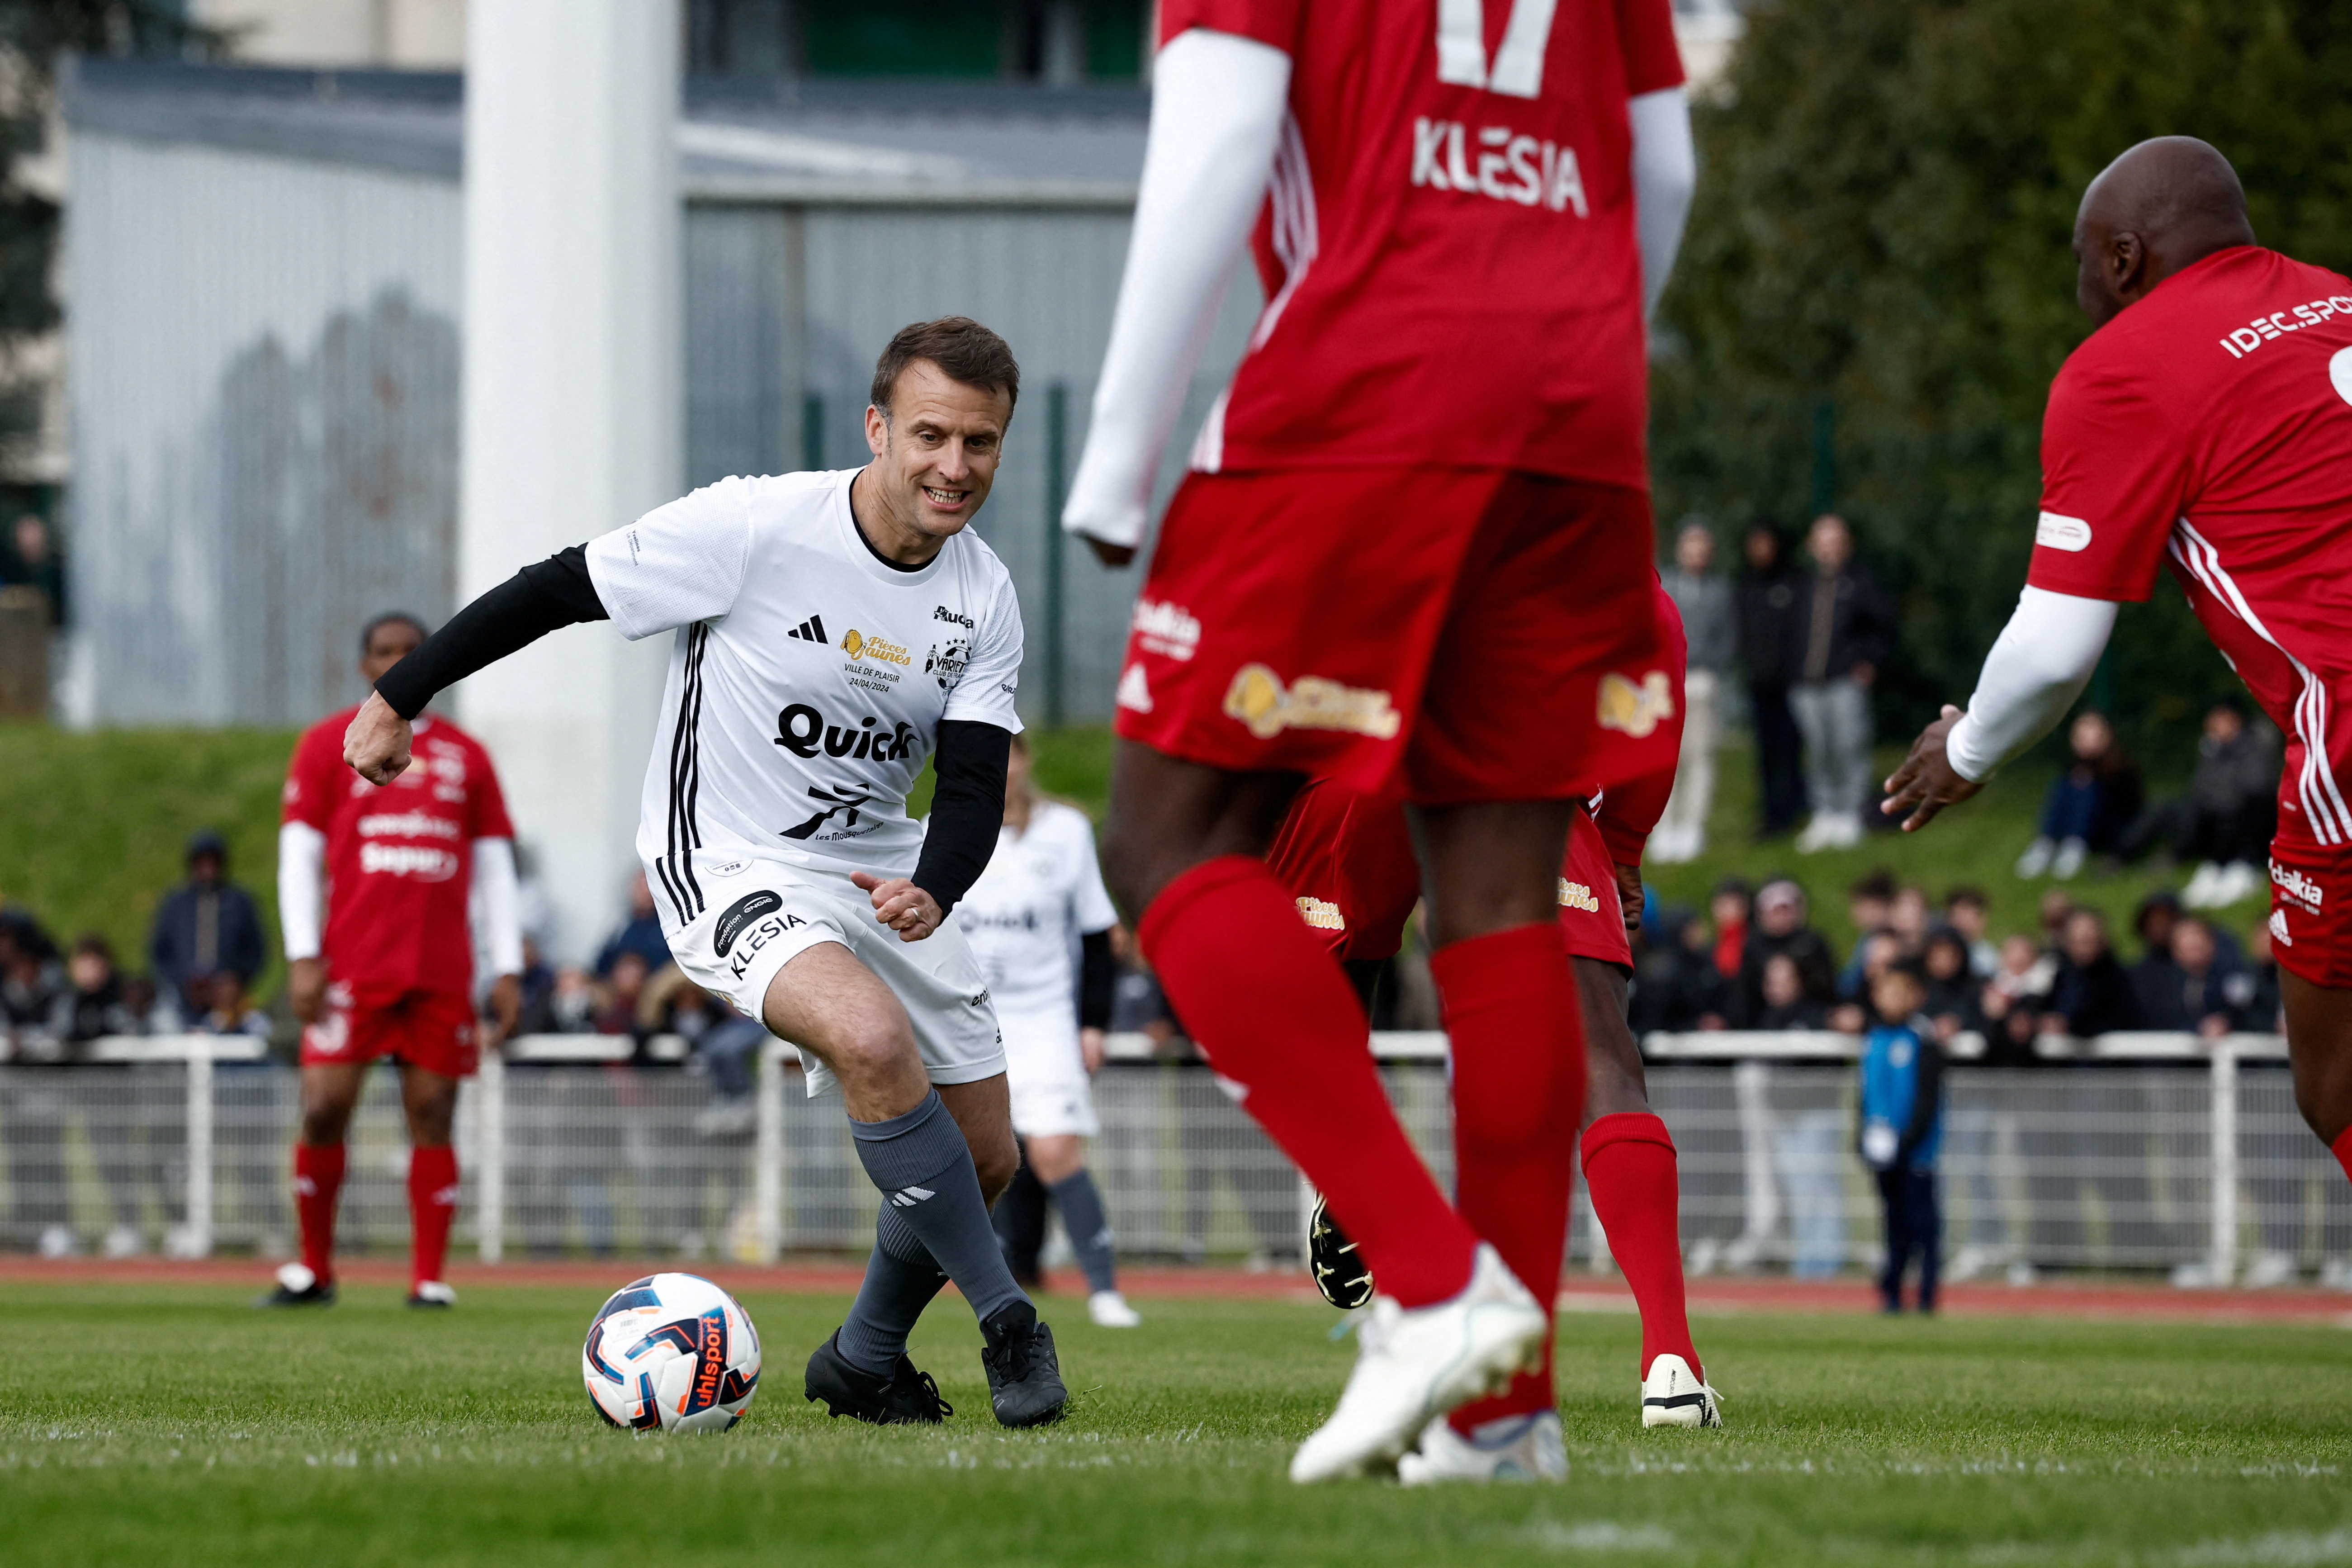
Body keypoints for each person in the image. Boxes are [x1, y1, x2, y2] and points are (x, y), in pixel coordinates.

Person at [1056, 0, 1696, 1485]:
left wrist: (1119, 451)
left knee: (1161, 838)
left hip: (1368, 381)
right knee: (1502, 909)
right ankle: (1505, 1413)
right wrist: (1578, 359)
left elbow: (1219, 135)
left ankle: (1423, 1274)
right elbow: (1661, 169)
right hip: (1578, 410)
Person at [339, 317, 1066, 1429]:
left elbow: (969, 787)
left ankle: (865, 1356)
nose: (954, 468)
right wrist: (404, 695)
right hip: (727, 861)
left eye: (981, 445)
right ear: (878, 428)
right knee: (872, 1041)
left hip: (876, 871)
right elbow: (555, 587)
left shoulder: (985, 594)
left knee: (986, 1156)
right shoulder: (753, 525)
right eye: (930, 436)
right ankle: (1007, 1316)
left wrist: (937, 884)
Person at [1884, 136, 2352, 1194]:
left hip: (2349, 723)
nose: (2082, 286)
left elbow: (2053, 650)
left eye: (2083, 260)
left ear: (2128, 258)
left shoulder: (2126, 367)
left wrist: (1964, 751)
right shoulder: (2335, 297)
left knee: (2339, 1085)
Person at [1266, 584, 1722, 1484]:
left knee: (1320, 972)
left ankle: (1351, 1179)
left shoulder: (1394, 529)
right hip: (1521, 791)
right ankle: (1669, 1360)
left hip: (1370, 770)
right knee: (1598, 1058)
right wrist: (1620, 848)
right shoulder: (1635, 592)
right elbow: (1647, 734)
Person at [263, 611, 525, 1312]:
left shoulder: (468, 756)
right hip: (352, 963)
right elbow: (300, 857)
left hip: (438, 969)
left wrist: (506, 964)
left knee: (434, 1109)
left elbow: (496, 866)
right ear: (364, 663)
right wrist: (304, 954)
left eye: (414, 651)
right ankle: (313, 1269)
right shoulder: (326, 744)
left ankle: (429, 1278)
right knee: (323, 1106)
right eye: (385, 650)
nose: (400, 660)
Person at [960, 733, 1137, 1328]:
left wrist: (1093, 1022)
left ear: (1028, 759)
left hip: (1045, 1019)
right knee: (974, 1158)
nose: (1002, 766)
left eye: (1011, 751)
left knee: (1055, 1146)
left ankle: (1105, 1290)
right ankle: (976, 1289)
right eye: (988, 752)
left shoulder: (1066, 831)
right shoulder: (944, 826)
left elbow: (1096, 932)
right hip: (969, 1019)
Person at [1791, 514, 1896, 853]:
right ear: (1812, 546)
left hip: (1844, 681)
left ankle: (1851, 812)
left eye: (1835, 541)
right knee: (1818, 749)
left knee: (1848, 746)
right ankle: (1824, 813)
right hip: (1805, 683)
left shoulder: (1862, 581)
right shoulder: (1801, 583)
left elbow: (1882, 627)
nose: (1829, 549)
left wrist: (1867, 663)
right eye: (1823, 542)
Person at [2119, 702, 2279, 908]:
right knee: (2167, 808)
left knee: (2233, 811)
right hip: (2211, 817)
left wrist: (2219, 796)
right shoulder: (2212, 749)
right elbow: (2200, 787)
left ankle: (2240, 868)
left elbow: (2258, 788)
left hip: (2246, 823)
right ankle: (2125, 854)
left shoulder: (2255, 748)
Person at [1858, 962, 1944, 1314]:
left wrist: (1904, 1141)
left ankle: (1926, 1293)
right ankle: (1891, 1291)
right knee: (1892, 1223)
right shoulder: (1874, 1039)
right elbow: (1864, 1095)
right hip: (1883, 1151)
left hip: (1916, 1152)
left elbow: (1926, 1100)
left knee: (1922, 1224)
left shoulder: (1923, 1042)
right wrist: (1862, 1139)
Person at [1655, 521, 1733, 862]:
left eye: (1703, 546)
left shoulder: (1720, 589)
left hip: (1701, 678)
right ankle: (1664, 825)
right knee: (1663, 758)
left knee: (1699, 754)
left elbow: (1728, 639)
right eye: (1691, 545)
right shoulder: (1664, 585)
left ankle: (1692, 826)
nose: (1696, 552)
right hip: (1663, 680)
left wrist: (1706, 668)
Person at [147, 829, 265, 1027]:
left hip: (229, 1002)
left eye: (213, 861)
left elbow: (256, 950)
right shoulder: (176, 903)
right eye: (201, 862)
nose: (207, 868)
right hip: (184, 999)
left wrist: (236, 979)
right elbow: (159, 952)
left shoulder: (238, 902)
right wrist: (181, 982)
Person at [1737, 521, 1809, 837]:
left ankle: (1794, 809)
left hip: (1792, 685)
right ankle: (1770, 816)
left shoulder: (1795, 582)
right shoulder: (1744, 585)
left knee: (1792, 751)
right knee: (1766, 755)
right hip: (1759, 685)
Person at [2016, 711, 2142, 880]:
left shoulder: (2120, 768)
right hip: (2091, 830)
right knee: (2065, 786)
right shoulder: (2072, 770)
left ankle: (2072, 845)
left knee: (2086, 789)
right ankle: (2047, 842)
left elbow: (2128, 806)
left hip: (2114, 830)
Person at [596, 871, 675, 980]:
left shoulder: (669, 925)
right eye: (639, 886)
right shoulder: (623, 925)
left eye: (647, 886)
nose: (642, 892)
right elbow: (602, 965)